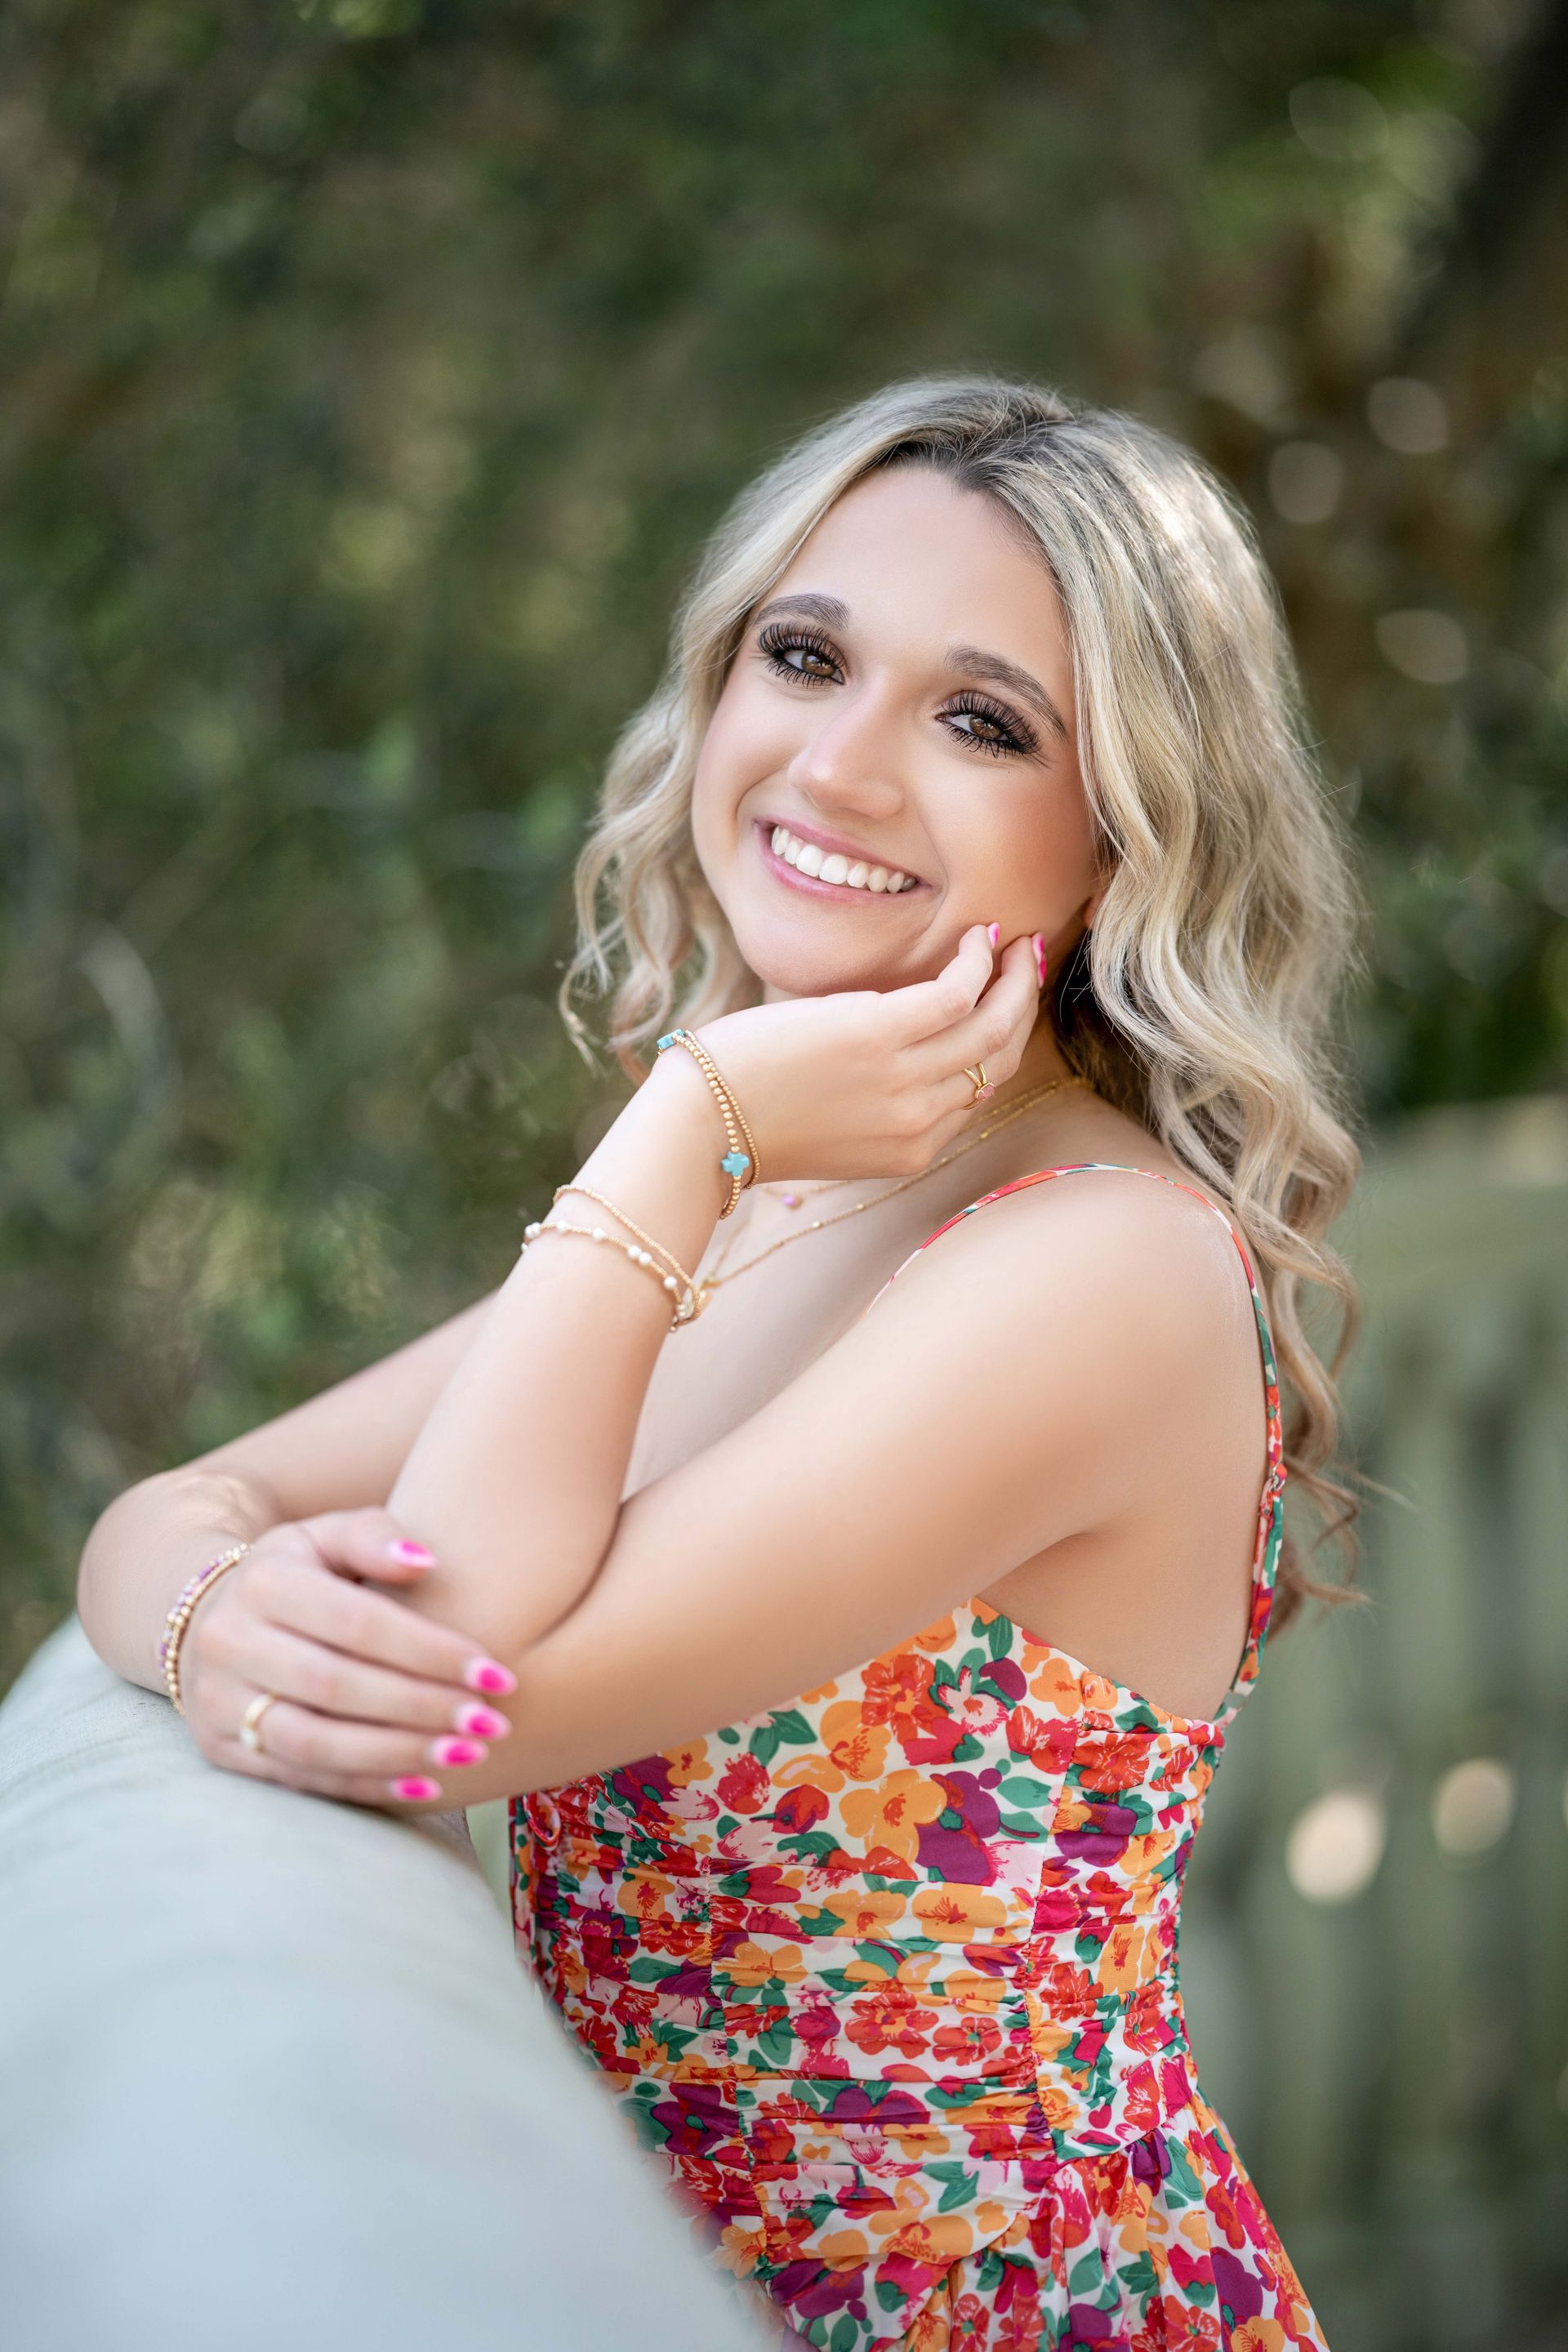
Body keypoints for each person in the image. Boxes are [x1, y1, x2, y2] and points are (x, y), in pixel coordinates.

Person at [79, 376, 1359, 2350]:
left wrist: (686, 1116)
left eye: (980, 719)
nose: (838, 767)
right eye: (805, 654)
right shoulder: (783, 1194)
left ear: (1123, 844)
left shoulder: (1095, 1268)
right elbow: (181, 1507)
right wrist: (204, 1612)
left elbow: (460, 1685)